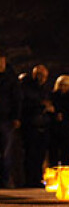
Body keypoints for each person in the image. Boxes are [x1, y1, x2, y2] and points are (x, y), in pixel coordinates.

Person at [20, 65, 53, 187]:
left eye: (44, 76)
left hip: (43, 125)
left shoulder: (44, 89)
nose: (42, 78)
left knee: (40, 155)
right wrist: (42, 105)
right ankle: (29, 180)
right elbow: (27, 103)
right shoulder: (27, 87)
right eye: (40, 75)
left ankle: (37, 179)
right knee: (31, 155)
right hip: (31, 125)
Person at [48, 75, 69, 166]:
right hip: (53, 130)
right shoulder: (53, 96)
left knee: (65, 155)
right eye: (61, 85)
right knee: (53, 155)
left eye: (65, 85)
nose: (63, 87)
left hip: (67, 130)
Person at [0, 49, 21, 188]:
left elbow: (17, 98)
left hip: (6, 118)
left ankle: (5, 180)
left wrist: (16, 116)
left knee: (6, 152)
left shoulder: (11, 77)